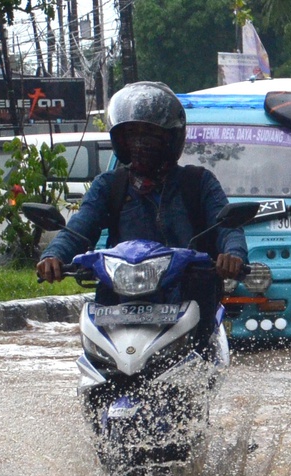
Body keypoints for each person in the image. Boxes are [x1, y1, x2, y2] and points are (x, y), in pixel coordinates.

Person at [36, 81, 247, 354]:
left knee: (200, 354)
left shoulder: (198, 182)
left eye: (149, 135)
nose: (139, 144)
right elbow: (80, 226)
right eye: (131, 136)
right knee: (94, 365)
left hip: (187, 299)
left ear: (171, 139)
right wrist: (54, 255)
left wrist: (233, 254)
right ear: (120, 141)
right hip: (120, 301)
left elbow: (228, 226)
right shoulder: (109, 186)